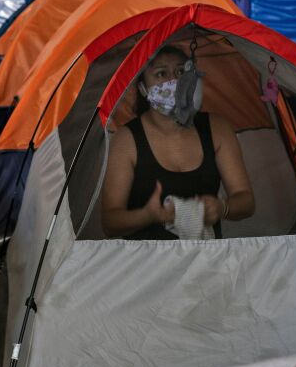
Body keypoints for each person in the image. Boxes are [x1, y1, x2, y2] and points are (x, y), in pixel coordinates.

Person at [101, 45, 255, 239]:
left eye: (181, 71)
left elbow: (246, 201)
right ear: (142, 88)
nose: (173, 81)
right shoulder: (126, 139)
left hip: (205, 259)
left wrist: (222, 208)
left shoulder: (217, 128)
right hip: (144, 263)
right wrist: (147, 216)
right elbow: (109, 223)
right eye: (161, 74)